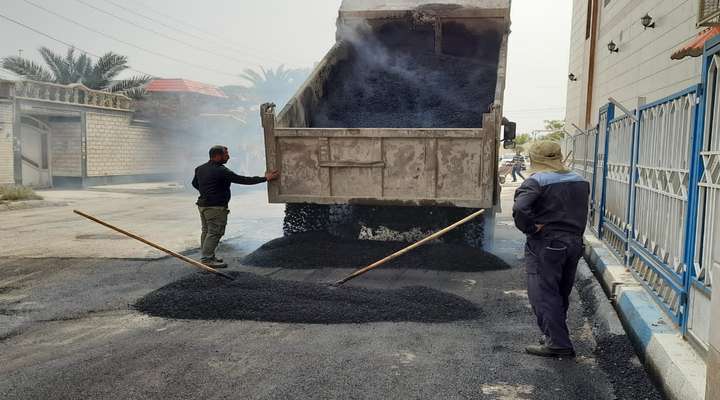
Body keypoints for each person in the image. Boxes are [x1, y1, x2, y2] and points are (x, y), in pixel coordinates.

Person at [512, 141, 590, 358]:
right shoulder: (580, 180)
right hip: (574, 243)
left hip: (547, 244)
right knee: (560, 291)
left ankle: (558, 343)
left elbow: (520, 208)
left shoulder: (536, 181)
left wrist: (530, 227)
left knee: (544, 293)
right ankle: (552, 333)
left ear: (535, 158)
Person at [192, 145, 279, 268]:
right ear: (217, 156)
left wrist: (206, 192)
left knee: (206, 231)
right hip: (215, 208)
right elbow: (242, 180)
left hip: (203, 205)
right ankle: (207, 260)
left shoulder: (200, 168)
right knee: (215, 233)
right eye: (226, 154)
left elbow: (195, 184)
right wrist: (265, 178)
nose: (228, 156)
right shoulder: (221, 170)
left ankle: (208, 256)